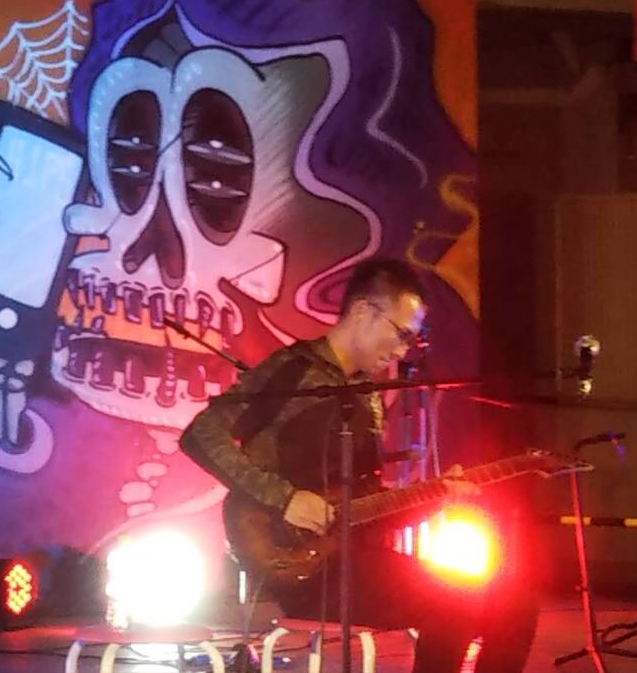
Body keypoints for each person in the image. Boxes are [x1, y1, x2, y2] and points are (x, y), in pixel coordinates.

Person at [179, 257, 537, 673]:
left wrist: (437, 497)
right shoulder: (294, 371)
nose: (403, 350)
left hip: (356, 558)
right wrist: (285, 499)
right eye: (402, 334)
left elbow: (364, 503)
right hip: (299, 563)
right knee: (455, 599)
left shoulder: (367, 392)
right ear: (364, 311)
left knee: (515, 603)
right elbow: (201, 433)